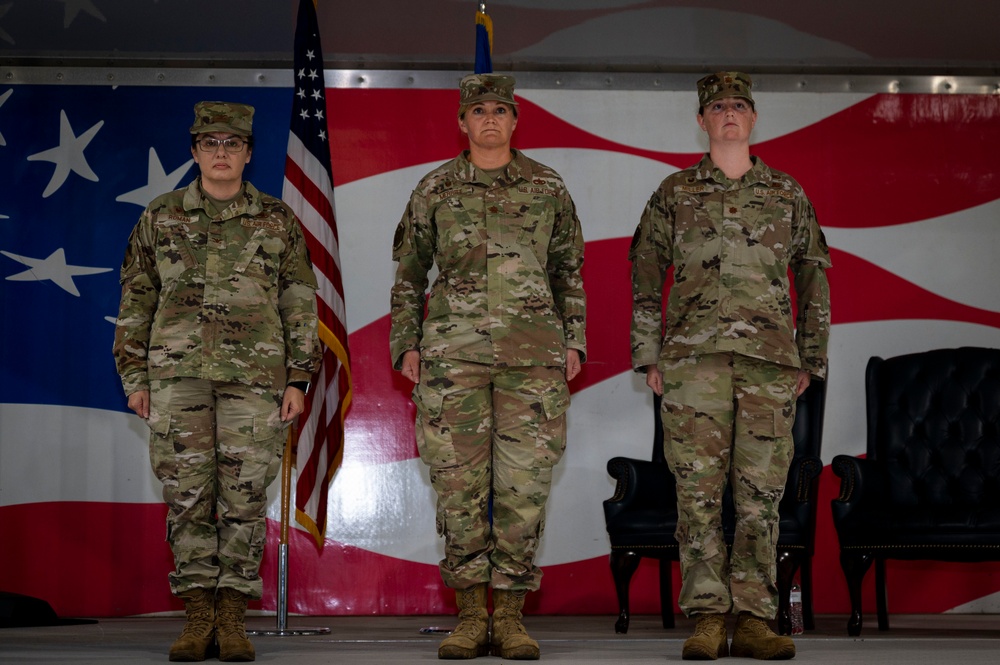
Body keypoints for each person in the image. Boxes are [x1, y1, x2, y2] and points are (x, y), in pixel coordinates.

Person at [629, 72, 831, 661]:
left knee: (759, 496)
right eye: (718, 107)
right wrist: (649, 355)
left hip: (769, 366)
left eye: (739, 105)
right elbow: (645, 271)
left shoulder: (786, 192)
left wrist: (810, 357)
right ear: (701, 120)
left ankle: (753, 618)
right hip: (693, 365)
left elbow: (815, 276)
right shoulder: (675, 192)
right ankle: (708, 616)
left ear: (754, 117)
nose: (729, 115)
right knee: (696, 495)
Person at [113, 101, 321, 662]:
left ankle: (232, 618)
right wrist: (135, 375)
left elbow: (300, 303)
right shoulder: (161, 216)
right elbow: (136, 298)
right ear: (195, 151)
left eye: (232, 144)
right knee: (186, 499)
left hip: (255, 382)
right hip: (176, 377)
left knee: (244, 500)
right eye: (211, 144)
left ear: (249, 153)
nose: (221, 153)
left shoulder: (277, 219)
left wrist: (299, 377)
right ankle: (197, 615)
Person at [390, 73, 587, 660]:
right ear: (462, 122)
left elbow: (568, 271)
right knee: (458, 489)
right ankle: (472, 615)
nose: (491, 119)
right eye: (480, 111)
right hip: (454, 359)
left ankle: (511, 618)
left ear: (516, 120)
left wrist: (572, 340)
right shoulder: (434, 189)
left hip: (534, 361)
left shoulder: (547, 186)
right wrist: (408, 344)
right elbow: (408, 275)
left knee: (524, 489)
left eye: (502, 110)